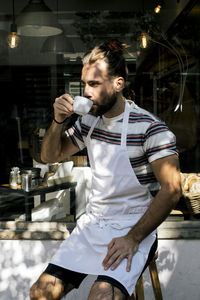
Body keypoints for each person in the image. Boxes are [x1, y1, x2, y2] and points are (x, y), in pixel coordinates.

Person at [30, 40, 181, 300]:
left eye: (94, 84)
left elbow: (172, 190)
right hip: (93, 224)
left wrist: (133, 238)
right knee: (40, 293)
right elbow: (49, 156)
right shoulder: (88, 121)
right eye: (84, 83)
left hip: (134, 226)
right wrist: (57, 121)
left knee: (102, 296)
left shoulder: (150, 129)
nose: (86, 92)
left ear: (118, 84)